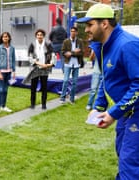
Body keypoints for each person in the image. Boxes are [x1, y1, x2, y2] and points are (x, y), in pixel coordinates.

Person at [77, 3, 139, 179]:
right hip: (126, 113)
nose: (86, 29)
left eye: (90, 25)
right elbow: (108, 78)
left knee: (130, 163)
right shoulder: (103, 46)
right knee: (123, 154)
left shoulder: (127, 45)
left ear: (104, 24)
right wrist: (99, 106)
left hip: (136, 112)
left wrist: (113, 113)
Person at [22, 29, 54, 109]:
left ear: (43, 36)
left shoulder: (47, 45)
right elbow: (29, 57)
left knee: (44, 87)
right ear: (36, 36)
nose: (39, 36)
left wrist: (49, 64)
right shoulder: (32, 45)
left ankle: (44, 104)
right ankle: (32, 104)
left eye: (41, 35)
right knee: (33, 87)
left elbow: (53, 55)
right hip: (35, 68)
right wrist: (38, 63)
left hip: (45, 69)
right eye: (38, 35)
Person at [59, 26, 84, 104]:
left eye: (74, 31)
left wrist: (71, 53)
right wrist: (74, 52)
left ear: (76, 32)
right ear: (70, 32)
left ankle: (72, 99)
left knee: (74, 82)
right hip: (68, 63)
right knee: (66, 80)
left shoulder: (80, 41)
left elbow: (81, 52)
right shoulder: (66, 41)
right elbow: (63, 52)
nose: (73, 32)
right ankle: (62, 98)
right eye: (71, 31)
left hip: (76, 64)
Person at [0, 32, 16, 115]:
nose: (5, 38)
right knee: (0, 90)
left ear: (9, 38)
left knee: (6, 90)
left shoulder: (12, 48)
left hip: (9, 72)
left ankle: (3, 106)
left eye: (7, 37)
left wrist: (14, 71)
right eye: (4, 37)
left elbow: (13, 60)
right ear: (2, 38)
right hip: (2, 72)